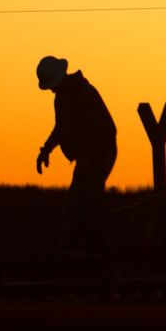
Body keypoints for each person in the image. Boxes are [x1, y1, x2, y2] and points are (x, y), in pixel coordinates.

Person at [35, 55, 118, 248]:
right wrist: (46, 150)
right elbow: (60, 128)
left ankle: (90, 247)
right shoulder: (61, 97)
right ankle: (83, 247)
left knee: (84, 201)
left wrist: (87, 159)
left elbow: (94, 130)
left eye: (52, 85)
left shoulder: (83, 93)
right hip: (87, 157)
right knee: (80, 203)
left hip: (101, 154)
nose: (51, 90)